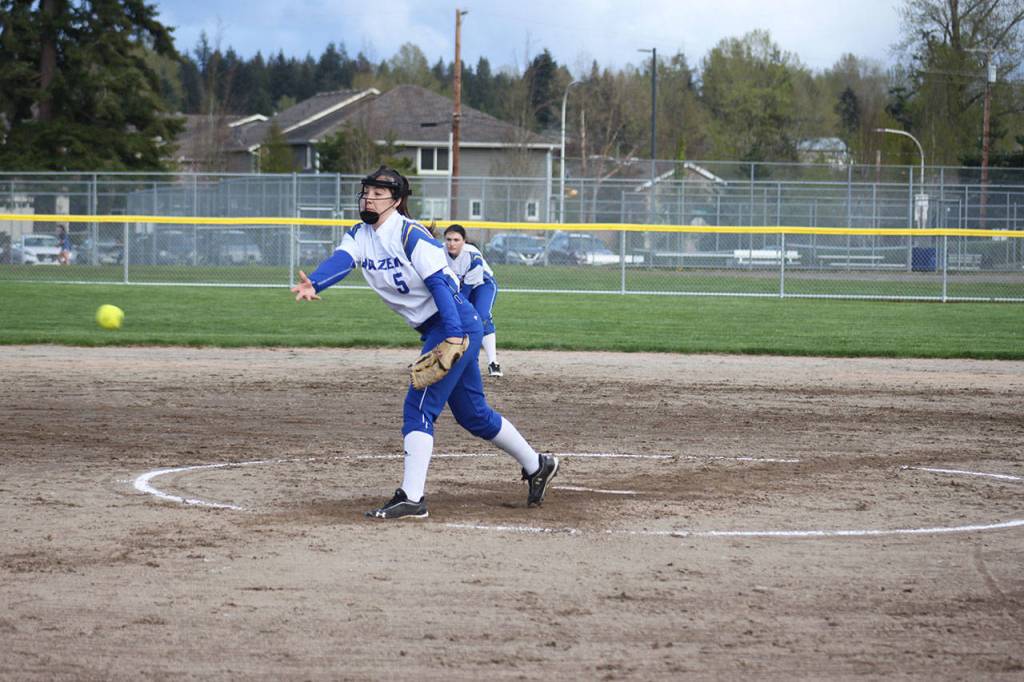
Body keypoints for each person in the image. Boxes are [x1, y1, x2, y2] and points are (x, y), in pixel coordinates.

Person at [290, 166, 558, 520]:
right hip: (446, 326)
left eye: (377, 193)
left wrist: (451, 335)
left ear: (397, 201)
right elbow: (343, 261)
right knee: (473, 415)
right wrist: (317, 283)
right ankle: (537, 464)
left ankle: (412, 498)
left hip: (454, 322)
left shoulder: (410, 235)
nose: (368, 197)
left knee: (418, 408)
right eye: (366, 191)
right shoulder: (360, 234)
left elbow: (442, 287)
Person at [443, 224, 502, 377]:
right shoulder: (439, 253)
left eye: (456, 240)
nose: (452, 243)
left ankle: (493, 362)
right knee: (444, 317)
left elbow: (466, 292)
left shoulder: (472, 256)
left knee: (480, 316)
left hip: (482, 284)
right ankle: (443, 357)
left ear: (464, 241)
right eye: (448, 239)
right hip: (460, 287)